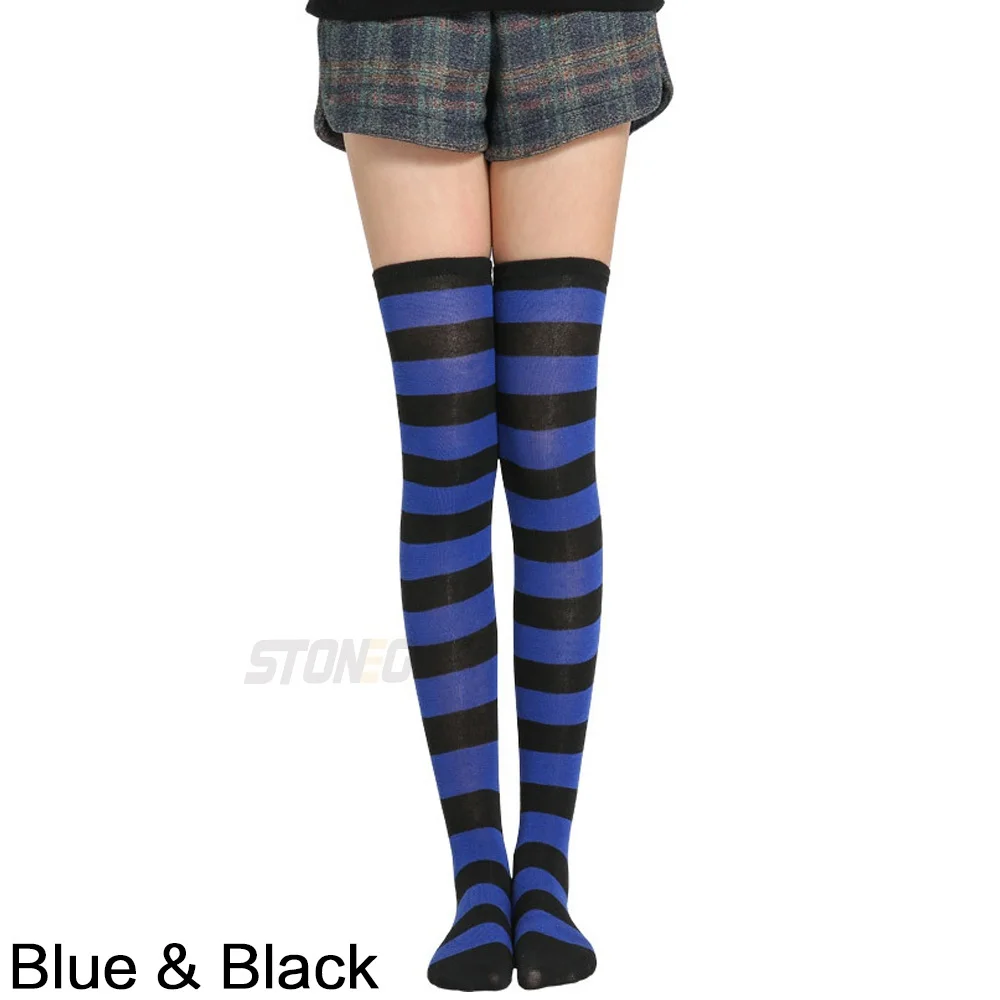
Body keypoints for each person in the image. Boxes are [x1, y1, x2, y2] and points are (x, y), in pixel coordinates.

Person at [310, 0, 672, 990]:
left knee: (550, 448)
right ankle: (478, 875)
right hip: (397, 19)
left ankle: (542, 867)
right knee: (447, 452)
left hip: (577, 15)